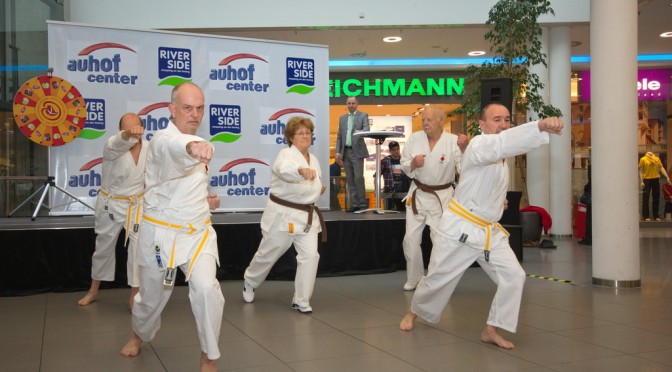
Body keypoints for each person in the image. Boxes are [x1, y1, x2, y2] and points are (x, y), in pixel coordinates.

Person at [400, 103, 564, 350]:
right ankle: (413, 311)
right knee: (436, 279)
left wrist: (499, 199)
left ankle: (492, 328)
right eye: (496, 119)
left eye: (507, 120)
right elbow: (501, 144)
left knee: (514, 276)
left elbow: (487, 178)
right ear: (482, 125)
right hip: (460, 229)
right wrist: (539, 126)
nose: (503, 125)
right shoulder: (480, 145)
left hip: (488, 231)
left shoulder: (501, 157)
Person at [121, 82, 224, 372]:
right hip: (162, 235)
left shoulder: (200, 141)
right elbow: (177, 150)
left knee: (207, 290)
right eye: (188, 107)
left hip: (198, 232)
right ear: (172, 109)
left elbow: (183, 186)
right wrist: (192, 146)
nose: (195, 114)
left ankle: (209, 357)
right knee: (152, 298)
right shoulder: (162, 141)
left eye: (200, 108)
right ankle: (138, 334)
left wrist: (207, 200)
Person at [242, 117, 325, 313]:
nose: (305, 136)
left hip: (307, 218)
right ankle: (250, 281)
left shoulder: (313, 159)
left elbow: (312, 184)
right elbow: (283, 170)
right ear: (291, 137)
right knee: (268, 254)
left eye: (308, 132)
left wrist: (317, 189)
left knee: (311, 256)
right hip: (283, 216)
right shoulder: (285, 155)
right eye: (300, 133)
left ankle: (301, 300)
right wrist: (300, 171)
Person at [78, 113, 147, 309]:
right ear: (120, 130)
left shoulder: (150, 148)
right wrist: (126, 135)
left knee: (137, 250)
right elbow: (119, 142)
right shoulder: (112, 147)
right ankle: (93, 290)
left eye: (136, 127)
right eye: (127, 128)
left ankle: (135, 294)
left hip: (136, 206)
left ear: (142, 128)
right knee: (103, 249)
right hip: (111, 205)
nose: (133, 131)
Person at [400, 105, 466, 291]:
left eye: (429, 120)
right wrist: (412, 163)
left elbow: (464, 168)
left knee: (440, 240)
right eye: (423, 120)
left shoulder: (453, 142)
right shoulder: (415, 139)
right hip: (418, 194)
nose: (425, 123)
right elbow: (404, 164)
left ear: (440, 121)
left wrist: (465, 148)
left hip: (442, 196)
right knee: (410, 239)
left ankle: (438, 279)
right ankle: (414, 277)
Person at [335, 96, 369, 212]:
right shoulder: (342, 118)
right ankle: (354, 205)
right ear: (346, 104)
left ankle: (362, 204)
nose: (351, 105)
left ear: (357, 104)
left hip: (357, 152)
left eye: (353, 103)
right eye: (349, 103)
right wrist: (337, 152)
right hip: (346, 152)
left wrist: (360, 131)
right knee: (350, 179)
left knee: (358, 178)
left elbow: (367, 129)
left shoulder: (363, 115)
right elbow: (339, 137)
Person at [377, 140, 411, 211]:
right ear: (390, 151)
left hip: (404, 191)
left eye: (397, 149)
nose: (396, 151)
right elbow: (376, 176)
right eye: (393, 150)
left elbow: (411, 174)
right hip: (390, 192)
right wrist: (376, 190)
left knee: (403, 213)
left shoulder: (404, 160)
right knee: (389, 213)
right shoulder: (385, 161)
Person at [638, 151, 671, 221]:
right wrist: (641, 181)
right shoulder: (643, 159)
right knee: (645, 198)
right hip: (646, 179)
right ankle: (645, 216)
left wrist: (667, 177)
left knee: (656, 197)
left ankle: (656, 215)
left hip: (656, 179)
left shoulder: (657, 159)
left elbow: (661, 168)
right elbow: (640, 170)